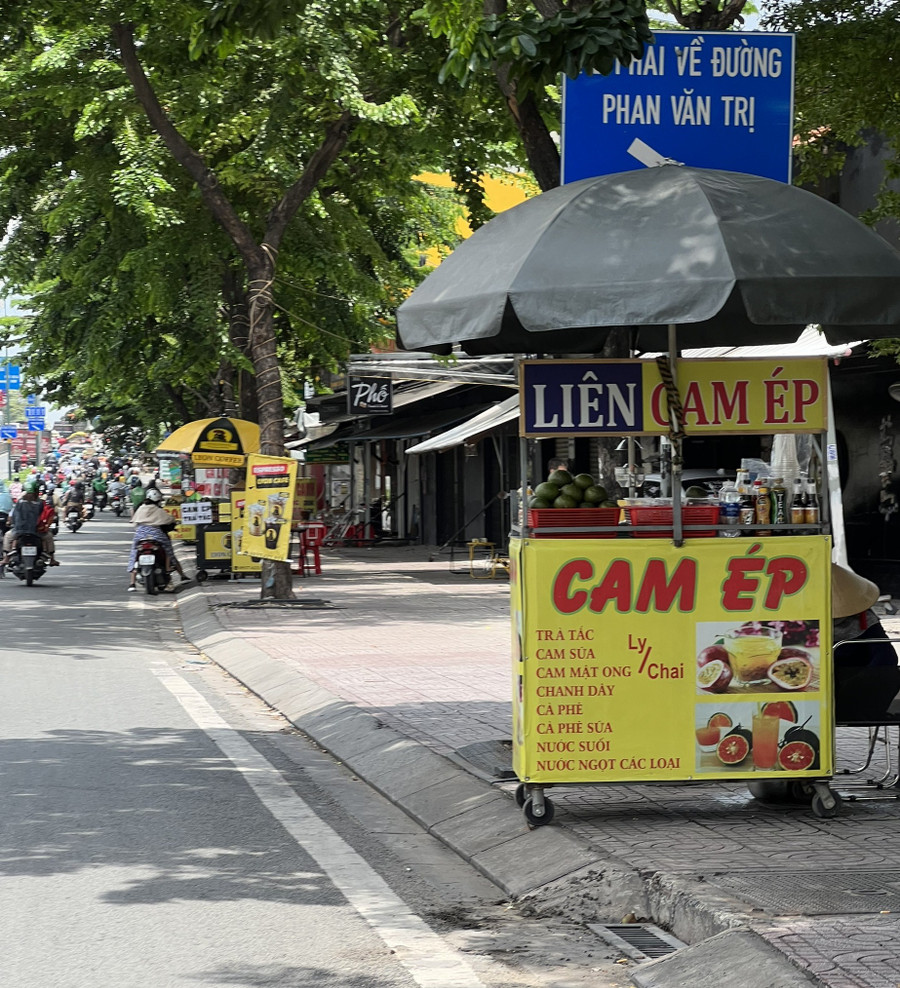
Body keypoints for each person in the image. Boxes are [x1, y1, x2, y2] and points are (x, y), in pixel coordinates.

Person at [831, 563, 900, 723]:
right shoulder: (804, 627)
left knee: (890, 675)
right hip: (819, 690)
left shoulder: (866, 619)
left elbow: (887, 658)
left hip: (858, 691)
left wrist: (855, 684)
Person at [126, 488, 186, 591]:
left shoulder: (141, 508)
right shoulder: (158, 509)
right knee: (168, 549)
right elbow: (169, 519)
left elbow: (135, 521)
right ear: (158, 499)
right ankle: (168, 567)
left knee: (134, 554)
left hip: (140, 534)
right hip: (156, 534)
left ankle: (132, 583)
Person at [1, 481, 59, 566]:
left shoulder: (20, 502)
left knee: (7, 536)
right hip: (36, 531)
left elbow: (13, 515)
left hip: (19, 531)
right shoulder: (40, 503)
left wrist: (11, 523)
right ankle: (52, 559)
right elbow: (45, 515)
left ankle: (6, 558)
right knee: (49, 536)